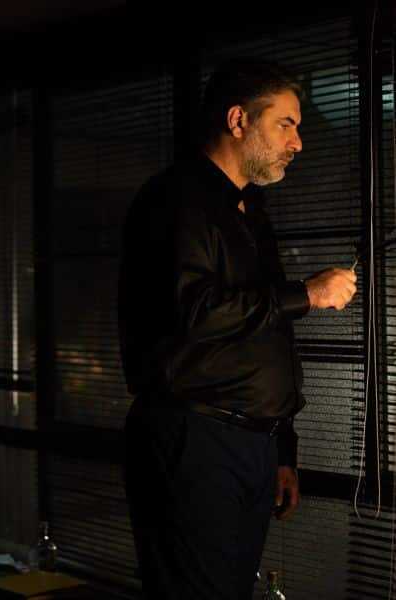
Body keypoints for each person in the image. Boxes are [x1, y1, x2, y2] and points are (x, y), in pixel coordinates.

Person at [118, 57, 357, 600]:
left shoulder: (249, 209)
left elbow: (264, 333)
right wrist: (307, 294)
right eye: (285, 124)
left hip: (249, 447)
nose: (298, 143)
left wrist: (281, 449)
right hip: (194, 441)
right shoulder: (176, 200)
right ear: (237, 120)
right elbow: (194, 312)